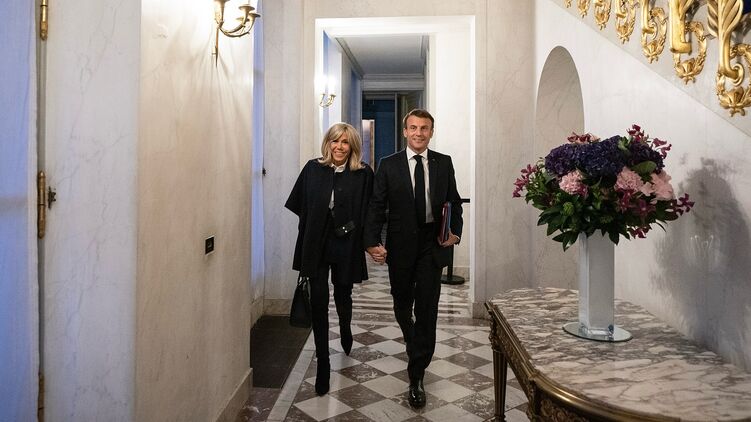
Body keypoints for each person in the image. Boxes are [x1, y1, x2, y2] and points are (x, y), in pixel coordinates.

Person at [365, 109, 463, 408]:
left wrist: (455, 233)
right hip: (401, 245)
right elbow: (376, 205)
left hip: (432, 243)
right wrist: (372, 242)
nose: (419, 133)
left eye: (424, 128)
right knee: (401, 301)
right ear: (405, 131)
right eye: (414, 128)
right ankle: (412, 336)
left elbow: (454, 202)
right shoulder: (388, 164)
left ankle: (417, 373)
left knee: (428, 308)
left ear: (431, 132)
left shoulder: (443, 162)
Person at [285, 123, 374, 396]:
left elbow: (370, 210)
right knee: (319, 301)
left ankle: (345, 328)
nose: (339, 147)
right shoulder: (313, 169)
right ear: (328, 143)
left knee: (343, 294)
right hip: (317, 243)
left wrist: (368, 241)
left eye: (345, 142)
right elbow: (300, 204)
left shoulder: (363, 173)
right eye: (335, 141)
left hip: (347, 242)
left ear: (352, 146)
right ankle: (323, 362)